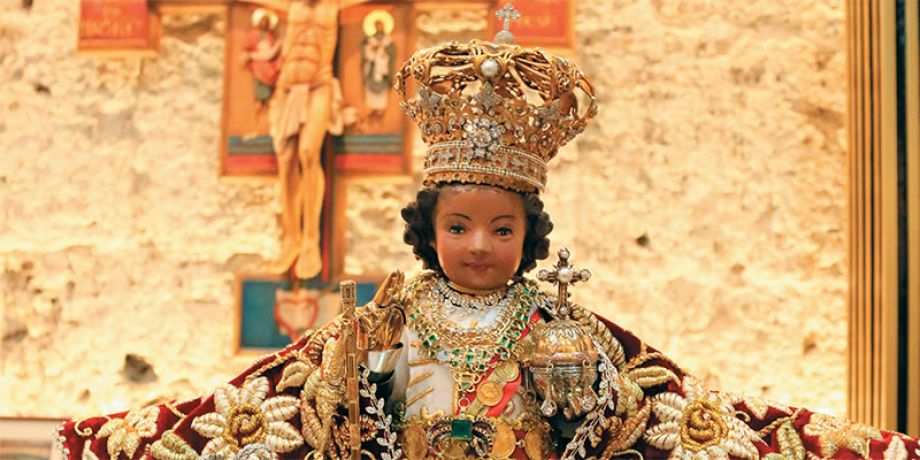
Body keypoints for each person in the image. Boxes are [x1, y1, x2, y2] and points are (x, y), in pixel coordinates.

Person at [56, 7, 920, 460]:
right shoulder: (384, 328)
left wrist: (848, 446)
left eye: (501, 228)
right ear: (428, 229)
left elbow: (684, 415)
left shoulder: (565, 329)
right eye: (460, 225)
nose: (478, 245)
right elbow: (259, 404)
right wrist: (117, 437)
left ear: (529, 236)